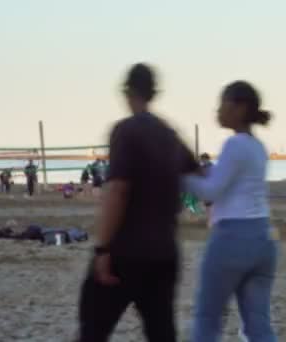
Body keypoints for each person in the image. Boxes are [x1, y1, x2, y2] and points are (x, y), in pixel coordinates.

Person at [77, 63, 199, 342]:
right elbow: (198, 174)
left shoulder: (126, 130)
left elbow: (118, 190)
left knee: (93, 329)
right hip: (165, 253)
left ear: (128, 92)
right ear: (153, 92)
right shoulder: (170, 135)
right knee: (161, 333)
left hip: (127, 252)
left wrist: (102, 249)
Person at [183, 81, 278, 341]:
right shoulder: (258, 148)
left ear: (240, 107)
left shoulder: (234, 145)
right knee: (259, 326)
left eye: (223, 103)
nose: (218, 110)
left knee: (207, 318)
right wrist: (199, 172)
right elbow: (225, 178)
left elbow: (211, 191)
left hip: (232, 239)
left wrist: (180, 177)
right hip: (263, 239)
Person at [199, 153, 214, 223]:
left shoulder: (212, 167)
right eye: (202, 160)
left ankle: (210, 220)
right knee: (208, 205)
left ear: (207, 159)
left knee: (210, 205)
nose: (202, 161)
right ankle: (210, 220)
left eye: (203, 159)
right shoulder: (202, 168)